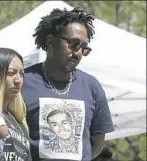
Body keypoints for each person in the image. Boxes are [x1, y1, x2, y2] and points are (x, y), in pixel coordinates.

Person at [22, 7, 115, 161]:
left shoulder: (92, 86)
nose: (78, 53)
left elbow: (97, 143)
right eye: (73, 44)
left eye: (84, 48)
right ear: (50, 41)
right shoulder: (23, 82)